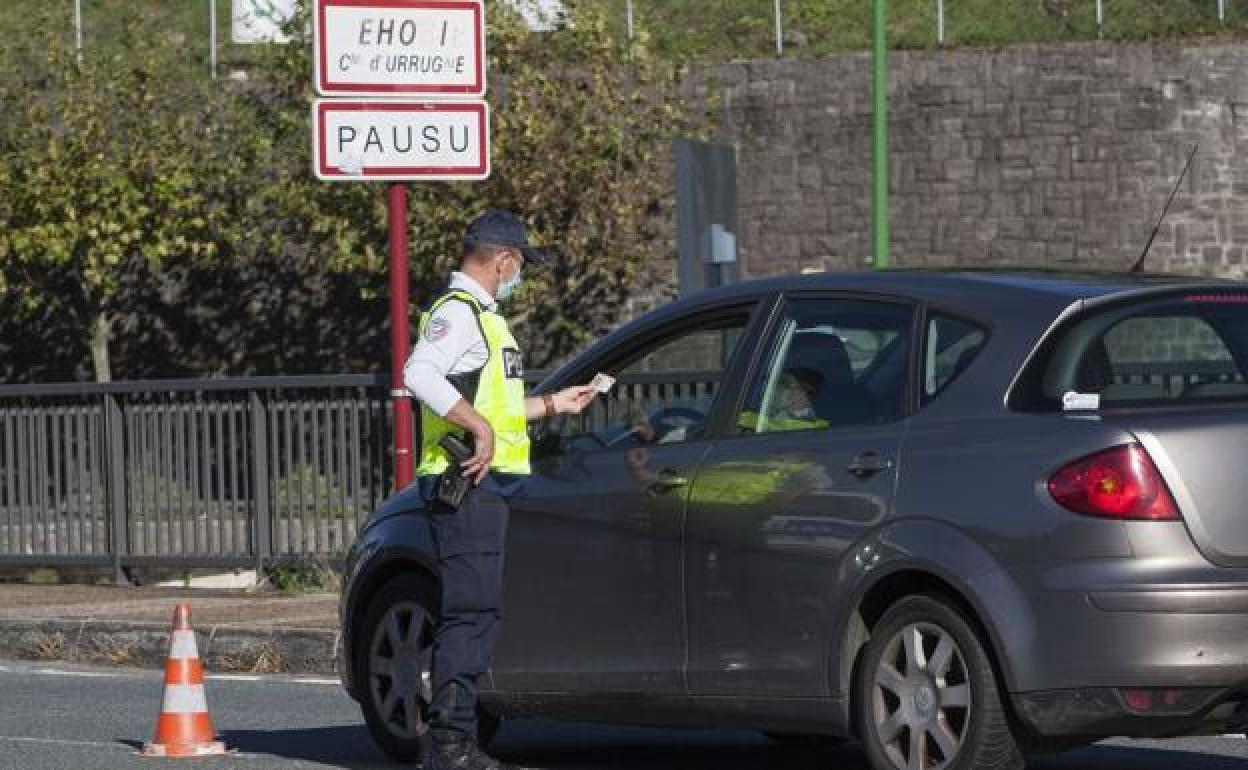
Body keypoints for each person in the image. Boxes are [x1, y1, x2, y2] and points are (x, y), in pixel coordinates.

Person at [403, 209, 598, 770]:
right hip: (466, 484)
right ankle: (449, 745)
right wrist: (479, 428)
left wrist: (553, 404)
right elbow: (418, 374)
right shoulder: (458, 314)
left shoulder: (484, 319)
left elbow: (496, 407)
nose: (520, 276)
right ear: (504, 259)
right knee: (471, 613)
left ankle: (456, 741)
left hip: (488, 486)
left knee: (479, 611)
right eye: (520, 265)